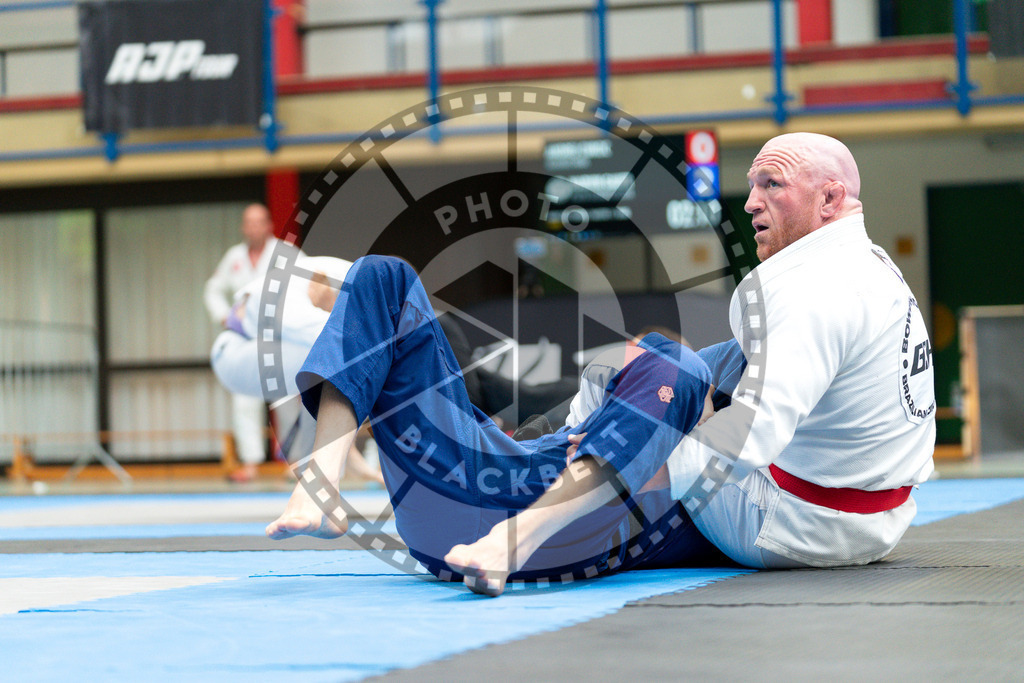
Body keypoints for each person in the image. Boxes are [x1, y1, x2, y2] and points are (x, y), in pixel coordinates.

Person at [267, 255, 726, 595]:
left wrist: (682, 428)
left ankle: (512, 542)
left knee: (678, 362)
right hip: (491, 474)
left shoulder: (733, 467)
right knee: (382, 274)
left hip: (545, 515)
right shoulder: (643, 391)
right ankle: (320, 483)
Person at [649, 132, 936, 570]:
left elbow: (755, 429)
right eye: (753, 185)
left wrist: (638, 472)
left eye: (772, 184)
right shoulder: (871, 264)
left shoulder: (815, 291)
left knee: (644, 388)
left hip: (793, 524)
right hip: (876, 522)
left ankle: (555, 458)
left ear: (829, 199)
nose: (751, 203)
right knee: (678, 365)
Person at [204, 203, 282, 482]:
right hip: (246, 336)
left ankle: (298, 463)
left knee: (289, 399)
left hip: (281, 335)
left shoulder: (285, 253)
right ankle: (250, 463)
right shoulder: (234, 257)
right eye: (249, 222)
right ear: (243, 227)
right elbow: (213, 289)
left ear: (269, 225)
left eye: (259, 222)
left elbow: (311, 282)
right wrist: (224, 316)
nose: (254, 228)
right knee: (244, 398)